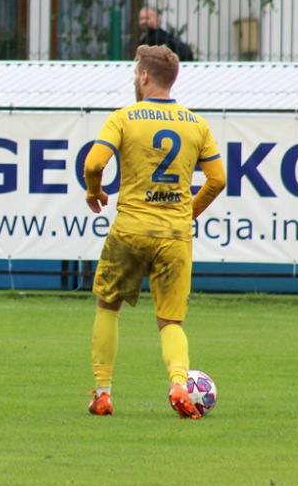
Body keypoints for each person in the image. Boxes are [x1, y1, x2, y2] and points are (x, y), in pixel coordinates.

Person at [81, 45, 226, 418]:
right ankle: (179, 383)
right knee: (170, 322)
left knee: (108, 306)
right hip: (174, 235)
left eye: (136, 73)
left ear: (144, 76)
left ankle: (103, 393)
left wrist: (94, 192)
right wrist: (186, 213)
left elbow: (94, 163)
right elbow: (218, 180)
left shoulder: (123, 118)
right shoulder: (196, 124)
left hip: (130, 229)